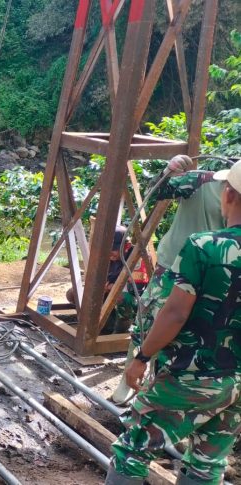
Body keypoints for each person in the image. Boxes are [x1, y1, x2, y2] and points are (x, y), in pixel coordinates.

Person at [104, 160, 241, 485]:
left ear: (229, 195)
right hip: (235, 383)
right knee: (208, 462)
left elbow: (175, 313)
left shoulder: (204, 246)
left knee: (133, 450)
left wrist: (141, 358)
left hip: (190, 375)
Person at [112, 154, 230, 404]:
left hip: (214, 275)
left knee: (189, 332)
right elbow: (158, 192)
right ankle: (129, 378)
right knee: (148, 320)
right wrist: (169, 170)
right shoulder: (201, 181)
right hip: (172, 267)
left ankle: (162, 388)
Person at [66, 226, 149, 335]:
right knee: (73, 293)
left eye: (113, 250)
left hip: (133, 301)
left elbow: (136, 291)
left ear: (126, 246)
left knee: (122, 299)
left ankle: (121, 330)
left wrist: (109, 287)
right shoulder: (106, 256)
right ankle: (105, 325)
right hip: (109, 291)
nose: (109, 254)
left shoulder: (138, 258)